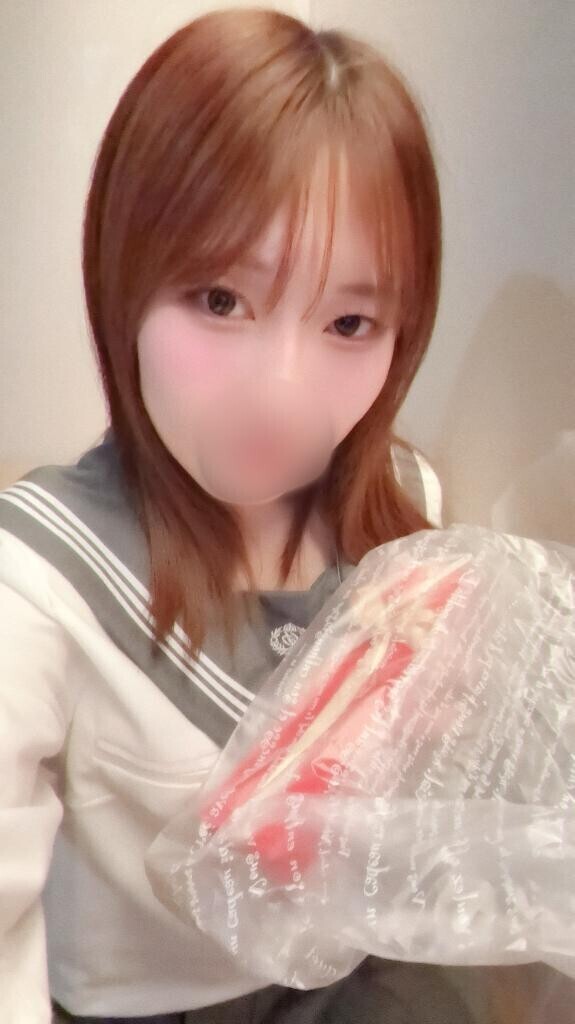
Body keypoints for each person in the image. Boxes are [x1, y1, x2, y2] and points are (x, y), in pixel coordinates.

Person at [0, 7, 472, 1022]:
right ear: (124, 277)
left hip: (351, 975)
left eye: (349, 320)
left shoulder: (401, 515)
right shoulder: (33, 584)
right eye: (220, 300)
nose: (281, 395)